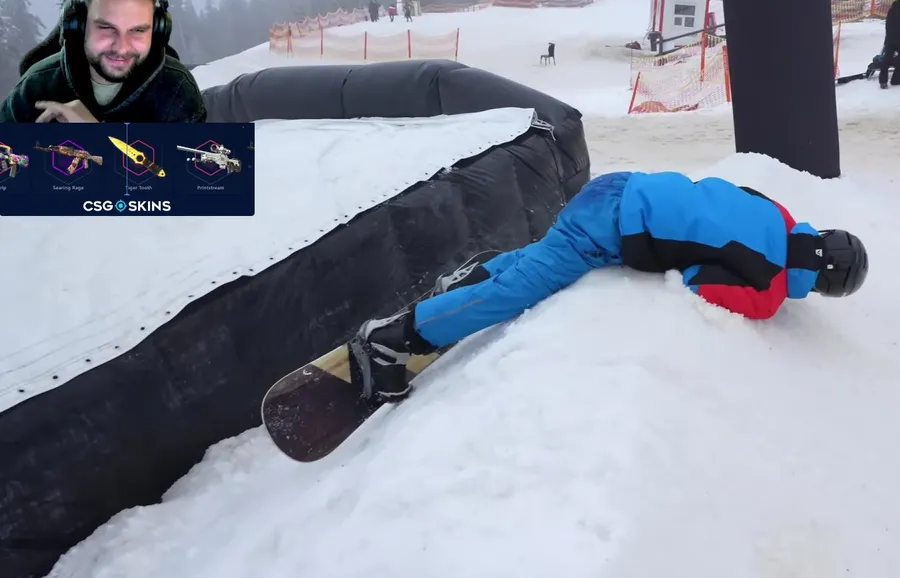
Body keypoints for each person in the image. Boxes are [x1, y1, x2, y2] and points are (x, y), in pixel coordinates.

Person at [346, 171, 870, 404]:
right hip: (611, 229)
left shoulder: (779, 213)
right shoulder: (767, 291)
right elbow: (699, 283)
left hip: (620, 185)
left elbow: (727, 194)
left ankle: (469, 278)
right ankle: (390, 341)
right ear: (822, 287)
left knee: (537, 258)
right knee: (521, 291)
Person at [0, 0, 205, 123]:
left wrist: (95, 137)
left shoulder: (176, 89)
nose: (122, 47)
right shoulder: (36, 85)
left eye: (138, 30)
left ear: (158, 30)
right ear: (80, 26)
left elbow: (183, 165)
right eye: (106, 28)